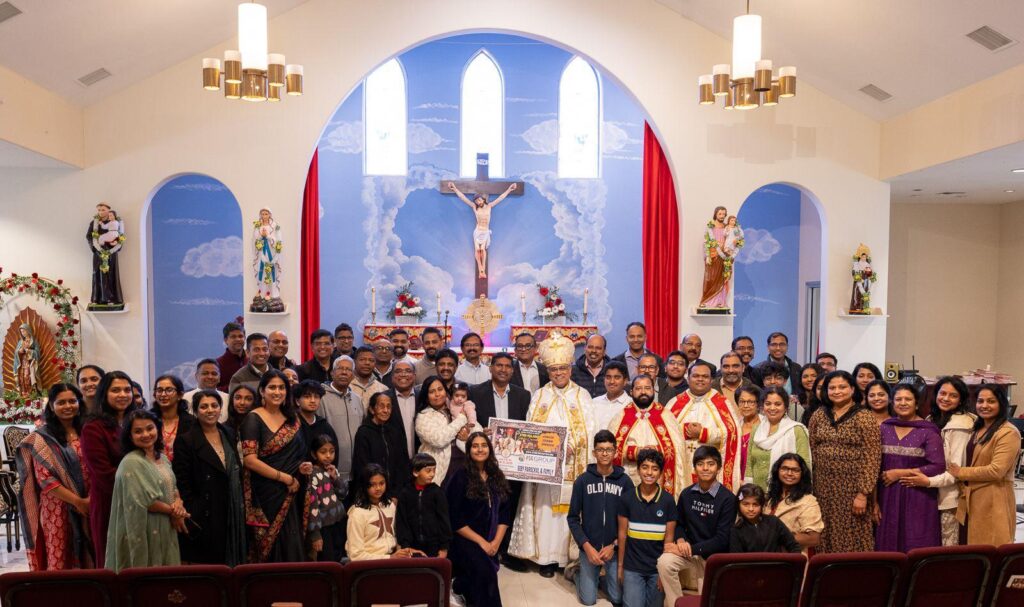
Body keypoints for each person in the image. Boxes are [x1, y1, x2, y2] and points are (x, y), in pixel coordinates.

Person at [508, 332, 596, 577]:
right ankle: (547, 559)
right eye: (554, 369)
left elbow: (590, 429)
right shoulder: (540, 396)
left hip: (573, 466)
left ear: (570, 368)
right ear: (548, 370)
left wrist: (571, 445)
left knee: (569, 511)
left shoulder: (582, 395)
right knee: (546, 512)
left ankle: (568, 557)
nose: (559, 373)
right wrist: (552, 449)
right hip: (545, 469)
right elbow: (530, 430)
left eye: (563, 368)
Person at [15, 384, 93, 570]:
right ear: (51, 406)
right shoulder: (42, 438)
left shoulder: (88, 431)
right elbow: (45, 479)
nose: (68, 406)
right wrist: (78, 502)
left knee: (91, 554)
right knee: (60, 554)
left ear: (79, 403)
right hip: (57, 506)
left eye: (72, 401)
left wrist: (90, 499)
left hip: (91, 502)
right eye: (61, 402)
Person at [808, 370, 881, 553]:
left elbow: (872, 457)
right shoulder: (819, 415)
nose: (837, 391)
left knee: (852, 535)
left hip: (852, 490)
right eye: (832, 387)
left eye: (842, 387)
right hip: (823, 488)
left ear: (852, 389)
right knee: (824, 533)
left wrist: (863, 494)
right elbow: (812, 448)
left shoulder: (864, 417)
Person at [240, 369, 308, 562]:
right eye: (272, 387)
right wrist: (284, 478)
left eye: (281, 388)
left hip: (292, 490)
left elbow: (297, 455)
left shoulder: (293, 419)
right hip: (266, 492)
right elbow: (250, 460)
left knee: (292, 544)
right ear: (262, 391)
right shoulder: (253, 418)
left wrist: (302, 468)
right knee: (270, 547)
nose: (277, 392)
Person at [105, 409, 185, 572]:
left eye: (150, 428)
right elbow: (146, 501)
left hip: (166, 525)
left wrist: (178, 503)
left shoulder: (162, 458)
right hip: (147, 526)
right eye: (138, 431)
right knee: (148, 574)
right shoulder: (131, 462)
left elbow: (173, 487)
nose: (146, 434)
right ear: (130, 436)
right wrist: (175, 512)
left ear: (157, 428)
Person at [172, 390, 246, 565]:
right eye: (204, 407)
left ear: (221, 409)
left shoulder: (229, 433)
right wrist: (194, 511)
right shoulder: (186, 440)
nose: (210, 410)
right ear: (196, 411)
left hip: (230, 507)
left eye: (214, 405)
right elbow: (182, 482)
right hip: (204, 513)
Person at [899, 376, 975, 546]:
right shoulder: (931, 419)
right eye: (943, 393)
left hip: (949, 497)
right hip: (929, 494)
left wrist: (927, 481)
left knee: (947, 546)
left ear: (961, 399)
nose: (946, 399)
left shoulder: (961, 426)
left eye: (953, 395)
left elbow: (956, 471)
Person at [657, 446, 737, 603]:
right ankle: (676, 604)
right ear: (694, 468)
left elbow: (722, 539)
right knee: (664, 562)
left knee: (706, 601)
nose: (705, 468)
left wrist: (690, 549)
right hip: (689, 553)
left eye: (711, 464)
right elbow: (679, 523)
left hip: (712, 557)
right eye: (700, 464)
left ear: (719, 468)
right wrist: (680, 540)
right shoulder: (687, 494)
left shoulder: (728, 499)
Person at [949, 385, 1021, 547]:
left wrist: (961, 472)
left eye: (991, 401)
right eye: (980, 401)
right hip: (971, 500)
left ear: (1001, 404)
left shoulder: (1008, 432)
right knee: (970, 549)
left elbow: (996, 471)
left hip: (993, 500)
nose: (984, 405)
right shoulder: (978, 428)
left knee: (989, 549)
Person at [446, 432, 512, 606]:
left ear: (489, 449)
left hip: (491, 538)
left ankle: (459, 586)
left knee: (480, 579)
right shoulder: (460, 477)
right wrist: (482, 542)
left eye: (484, 445)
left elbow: (505, 513)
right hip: (465, 539)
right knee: (486, 574)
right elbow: (454, 518)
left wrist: (496, 542)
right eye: (475, 446)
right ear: (469, 450)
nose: (480, 449)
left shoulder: (497, 475)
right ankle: (461, 586)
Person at [874, 385, 943, 552]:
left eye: (908, 399)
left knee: (916, 542)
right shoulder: (883, 428)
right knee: (888, 542)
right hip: (887, 496)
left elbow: (938, 466)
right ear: (892, 403)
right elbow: (873, 466)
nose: (903, 403)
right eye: (898, 399)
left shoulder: (928, 431)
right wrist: (874, 501)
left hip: (918, 495)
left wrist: (900, 473)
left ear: (917, 404)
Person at [568, 430, 633, 607]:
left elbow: (631, 519)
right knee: (588, 600)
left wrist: (615, 545)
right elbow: (572, 518)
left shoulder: (625, 482)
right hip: (590, 548)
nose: (604, 453)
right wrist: (587, 547)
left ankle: (602, 578)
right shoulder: (582, 481)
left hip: (613, 550)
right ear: (594, 452)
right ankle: (577, 572)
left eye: (609, 450)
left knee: (617, 599)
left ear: (615, 452)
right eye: (600, 450)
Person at [80, 370, 135, 568]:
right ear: (104, 393)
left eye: (127, 390)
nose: (123, 395)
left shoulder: (135, 421)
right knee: (113, 559)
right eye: (116, 390)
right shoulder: (93, 427)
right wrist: (137, 490)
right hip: (110, 501)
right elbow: (103, 473)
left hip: (143, 502)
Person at [608, 374, 687, 498]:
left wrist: (654, 451)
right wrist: (635, 452)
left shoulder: (666, 415)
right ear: (631, 392)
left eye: (647, 388)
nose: (643, 392)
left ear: (654, 391)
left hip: (658, 480)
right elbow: (609, 449)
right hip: (629, 478)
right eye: (638, 388)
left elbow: (678, 449)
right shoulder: (620, 416)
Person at [666, 361, 741, 490]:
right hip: (683, 467)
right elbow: (664, 432)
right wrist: (683, 430)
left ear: (711, 380)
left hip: (710, 469)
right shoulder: (675, 403)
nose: (700, 379)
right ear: (688, 378)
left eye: (705, 376)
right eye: (696, 376)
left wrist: (703, 433)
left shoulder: (722, 403)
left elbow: (731, 434)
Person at [616, 449, 674, 607]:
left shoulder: (668, 501)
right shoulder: (627, 498)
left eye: (655, 469)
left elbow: (669, 540)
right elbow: (622, 535)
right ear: (638, 469)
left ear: (661, 473)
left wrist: (663, 573)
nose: (649, 472)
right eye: (645, 467)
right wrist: (620, 567)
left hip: (657, 569)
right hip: (633, 567)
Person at [346, 463, 420, 560]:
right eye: (373, 485)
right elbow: (355, 555)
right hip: (369, 564)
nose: (378, 488)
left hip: (392, 559)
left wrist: (403, 551)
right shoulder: (357, 513)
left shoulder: (390, 506)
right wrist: (389, 558)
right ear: (364, 486)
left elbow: (397, 536)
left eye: (381, 483)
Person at [415, 376, 479, 486]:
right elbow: (439, 440)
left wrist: (468, 437)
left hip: (464, 467)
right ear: (426, 396)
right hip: (440, 474)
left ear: (446, 391)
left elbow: (470, 433)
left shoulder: (454, 408)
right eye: (432, 392)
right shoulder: (423, 417)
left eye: (440, 389)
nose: (437, 394)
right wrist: (461, 418)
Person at [446, 181, 518, 278]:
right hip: (478, 231)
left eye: (479, 200)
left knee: (482, 250)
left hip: (485, 231)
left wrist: (509, 189)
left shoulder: (489, 206)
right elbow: (463, 198)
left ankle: (482, 270)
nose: (478, 202)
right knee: (477, 249)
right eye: (476, 201)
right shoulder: (474, 207)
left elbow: (500, 198)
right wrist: (454, 188)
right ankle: (480, 269)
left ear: (483, 199)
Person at [746, 387, 811, 490]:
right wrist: (749, 487)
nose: (772, 408)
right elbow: (749, 462)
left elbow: (805, 464)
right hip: (756, 491)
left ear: (786, 407)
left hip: (785, 491)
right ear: (762, 406)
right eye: (768, 404)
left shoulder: (796, 430)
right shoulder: (756, 429)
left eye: (777, 404)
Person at [318, 356, 364, 490]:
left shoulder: (357, 399)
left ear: (353, 375)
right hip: (331, 470)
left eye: (348, 369)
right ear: (332, 373)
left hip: (356, 470)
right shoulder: (321, 397)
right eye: (340, 368)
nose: (344, 372)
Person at [396, 453, 452, 558]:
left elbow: (444, 520)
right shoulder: (405, 493)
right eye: (428, 471)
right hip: (412, 546)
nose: (432, 474)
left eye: (434, 470)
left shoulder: (437, 492)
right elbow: (402, 521)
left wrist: (444, 547)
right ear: (416, 472)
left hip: (435, 546)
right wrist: (405, 545)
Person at [353, 392, 411, 491]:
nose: (385, 410)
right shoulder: (364, 433)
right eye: (381, 406)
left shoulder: (395, 432)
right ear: (372, 410)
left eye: (389, 407)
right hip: (373, 489)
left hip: (394, 490)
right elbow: (362, 466)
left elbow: (401, 464)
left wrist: (397, 493)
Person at [766, 454, 823, 553]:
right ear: (777, 471)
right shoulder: (769, 498)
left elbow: (813, 538)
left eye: (795, 470)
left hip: (791, 557)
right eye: (785, 469)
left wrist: (775, 538)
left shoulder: (808, 501)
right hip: (764, 555)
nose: (789, 473)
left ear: (802, 474)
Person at [305, 434, 348, 561]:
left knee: (340, 556)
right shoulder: (312, 475)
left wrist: (335, 478)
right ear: (314, 454)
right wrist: (315, 534)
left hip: (339, 522)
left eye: (332, 451)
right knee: (328, 559)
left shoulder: (332, 470)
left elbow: (343, 494)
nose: (328, 456)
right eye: (323, 452)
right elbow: (312, 506)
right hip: (324, 527)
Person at [729, 484, 802, 554]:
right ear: (738, 505)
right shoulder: (736, 530)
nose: (751, 509)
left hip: (776, 563)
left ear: (762, 505)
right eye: (746, 504)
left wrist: (791, 561)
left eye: (755, 504)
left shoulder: (774, 522)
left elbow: (794, 546)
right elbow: (737, 559)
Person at [469, 352, 530, 427]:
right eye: (499, 365)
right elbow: (470, 423)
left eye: (508, 366)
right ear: (490, 368)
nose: (503, 370)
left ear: (512, 371)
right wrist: (480, 431)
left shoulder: (523, 396)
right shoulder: (475, 393)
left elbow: (526, 425)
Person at [151, 375, 197, 462]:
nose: (163, 394)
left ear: (180, 395)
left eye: (169, 390)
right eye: (159, 390)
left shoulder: (191, 422)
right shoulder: (148, 419)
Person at [294, 380, 338, 464]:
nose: (313, 400)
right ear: (297, 401)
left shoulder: (324, 425)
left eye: (316, 397)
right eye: (307, 397)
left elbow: (334, 452)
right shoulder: (291, 424)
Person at [698, 206, 731, 310]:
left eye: (723, 214)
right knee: (710, 279)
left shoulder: (727, 227)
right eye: (720, 214)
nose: (722, 216)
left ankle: (720, 301)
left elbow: (731, 240)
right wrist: (708, 255)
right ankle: (706, 300)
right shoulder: (710, 227)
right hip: (713, 256)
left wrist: (727, 245)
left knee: (722, 279)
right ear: (715, 214)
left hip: (723, 256)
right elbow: (706, 242)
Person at [386, 360, 419, 459]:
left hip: (420, 461)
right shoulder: (383, 399)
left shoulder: (423, 397)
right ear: (392, 377)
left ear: (414, 376)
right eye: (398, 371)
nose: (403, 374)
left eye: (408, 371)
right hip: (393, 461)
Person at [755, 333, 802, 398]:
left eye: (782, 344)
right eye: (774, 345)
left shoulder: (796, 368)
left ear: (787, 346)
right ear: (768, 347)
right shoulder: (758, 369)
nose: (778, 348)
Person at [591, 360, 632, 432]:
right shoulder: (594, 403)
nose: (612, 381)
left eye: (617, 377)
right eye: (608, 377)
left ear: (625, 381)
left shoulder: (631, 404)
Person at [711, 351, 753, 419]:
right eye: (726, 367)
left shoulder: (755, 391)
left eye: (735, 366)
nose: (731, 370)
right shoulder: (709, 391)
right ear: (721, 368)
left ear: (743, 368)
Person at [735, 386, 763, 480]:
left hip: (758, 477)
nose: (746, 406)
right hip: (737, 477)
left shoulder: (765, 426)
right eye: (742, 402)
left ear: (758, 404)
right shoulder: (734, 426)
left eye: (750, 402)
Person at [216, 322, 247, 392]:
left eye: (240, 336)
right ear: (225, 340)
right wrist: (235, 387)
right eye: (233, 337)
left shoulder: (251, 362)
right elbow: (214, 389)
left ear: (245, 338)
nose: (238, 339)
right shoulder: (218, 364)